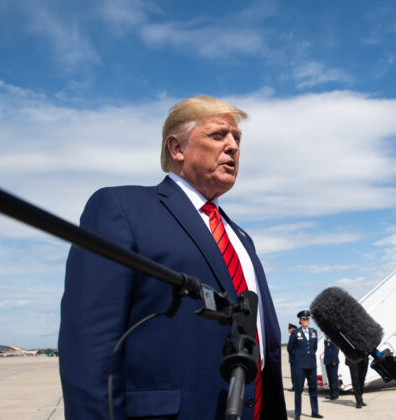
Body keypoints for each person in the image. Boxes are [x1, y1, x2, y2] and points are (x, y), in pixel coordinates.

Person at [58, 96, 287, 420]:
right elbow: (89, 348)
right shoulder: (122, 209)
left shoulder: (241, 238)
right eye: (219, 135)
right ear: (177, 148)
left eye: (237, 139)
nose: (234, 147)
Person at [287, 310, 323, 420]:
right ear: (300, 320)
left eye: (307, 319)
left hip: (311, 365)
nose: (306, 321)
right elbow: (290, 348)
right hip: (300, 366)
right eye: (304, 319)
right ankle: (297, 413)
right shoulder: (295, 333)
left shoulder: (314, 332)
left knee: (313, 389)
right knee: (299, 390)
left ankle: (314, 411)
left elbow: (314, 347)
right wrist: (297, 358)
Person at [287, 323, 297, 392]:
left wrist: (294, 355)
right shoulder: (297, 334)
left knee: (294, 374)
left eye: (289, 329)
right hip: (297, 358)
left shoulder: (293, 334)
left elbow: (289, 348)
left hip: (294, 359)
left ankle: (295, 387)